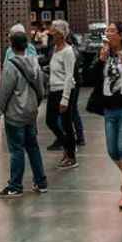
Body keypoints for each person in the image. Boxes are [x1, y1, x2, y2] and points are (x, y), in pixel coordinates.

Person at [87, 22, 122, 210]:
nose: (108, 34)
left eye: (111, 31)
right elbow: (89, 78)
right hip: (109, 110)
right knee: (112, 151)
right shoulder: (103, 54)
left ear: (120, 35)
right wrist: (100, 61)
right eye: (107, 31)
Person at [0, 31, 48, 199]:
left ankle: (15, 185)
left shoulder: (11, 65)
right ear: (27, 45)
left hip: (15, 114)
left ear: (11, 44)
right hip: (30, 112)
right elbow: (40, 87)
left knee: (16, 150)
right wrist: (36, 103)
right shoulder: (34, 62)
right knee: (33, 147)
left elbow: (4, 91)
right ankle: (41, 182)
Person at [45, 20, 78, 169]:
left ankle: (71, 156)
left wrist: (65, 99)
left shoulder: (68, 51)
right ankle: (67, 145)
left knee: (66, 123)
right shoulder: (54, 49)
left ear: (60, 34)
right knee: (50, 121)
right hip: (53, 90)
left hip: (64, 91)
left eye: (53, 32)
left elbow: (69, 76)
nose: (50, 34)